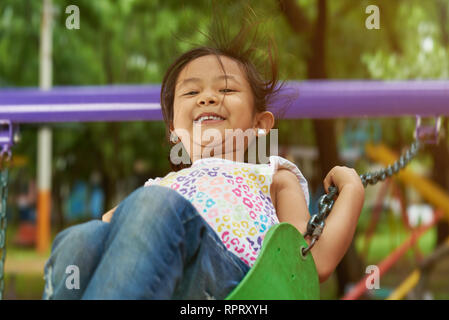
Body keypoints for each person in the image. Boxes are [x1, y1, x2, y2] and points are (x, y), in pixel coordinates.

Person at [42, 25, 364, 300]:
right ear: (173, 132)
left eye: (226, 88)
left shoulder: (271, 176)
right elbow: (109, 237)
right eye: (191, 92)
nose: (206, 97)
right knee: (79, 241)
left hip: (237, 288)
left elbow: (308, 262)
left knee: (156, 208)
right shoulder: (162, 188)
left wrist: (351, 189)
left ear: (259, 125)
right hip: (162, 282)